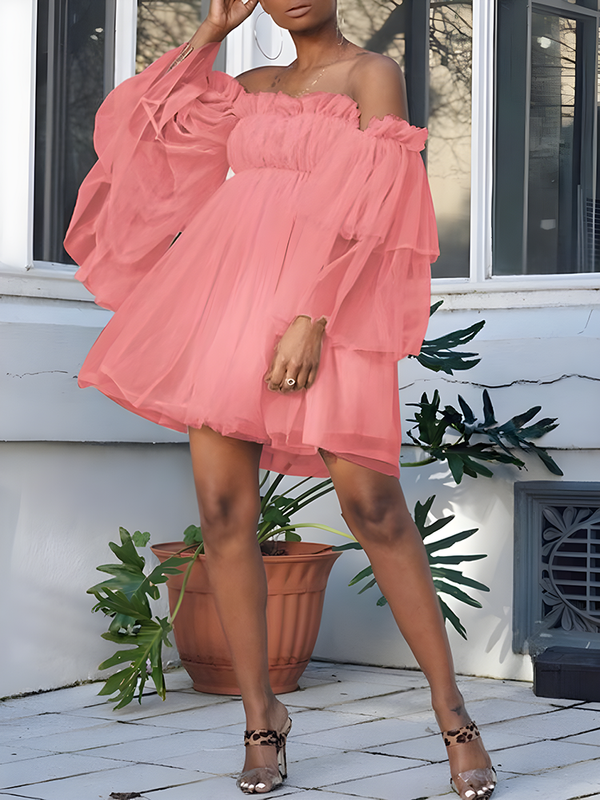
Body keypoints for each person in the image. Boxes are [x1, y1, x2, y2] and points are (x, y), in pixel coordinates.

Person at [65, 0, 497, 797]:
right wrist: (210, 32)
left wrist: (313, 317)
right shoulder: (251, 82)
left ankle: (453, 713)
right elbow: (139, 122)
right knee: (224, 513)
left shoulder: (372, 74)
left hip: (325, 310)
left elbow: (382, 203)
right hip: (226, 303)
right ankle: (261, 717)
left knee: (374, 508)